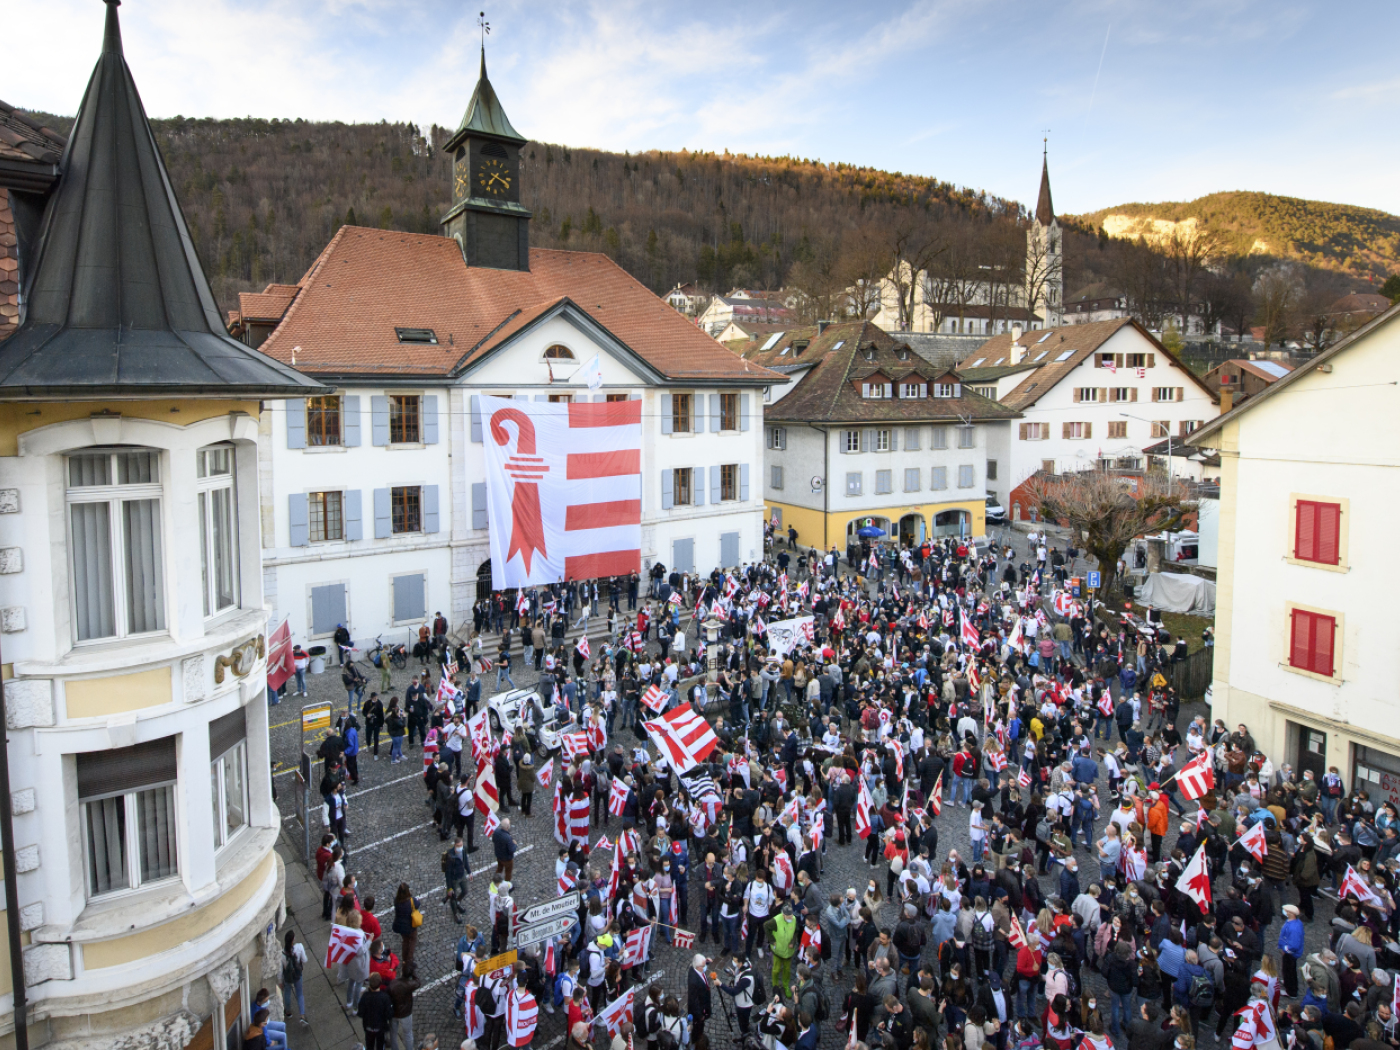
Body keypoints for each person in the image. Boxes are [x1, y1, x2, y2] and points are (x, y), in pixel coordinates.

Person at [357, 972, 394, 1050]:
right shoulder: (385, 998)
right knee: (380, 1044)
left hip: (368, 1027)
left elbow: (360, 1013)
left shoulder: (365, 996)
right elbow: (389, 1014)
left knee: (369, 1045)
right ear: (380, 983)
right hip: (380, 1028)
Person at [281, 931, 309, 1027]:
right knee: (300, 994)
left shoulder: (282, 954)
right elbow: (305, 960)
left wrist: (281, 980)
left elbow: (281, 969)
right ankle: (302, 1016)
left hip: (287, 976)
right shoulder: (299, 947)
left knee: (287, 992)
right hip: (297, 974)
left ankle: (288, 1012)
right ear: (293, 940)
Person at [687, 953, 712, 1046]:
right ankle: (696, 1041)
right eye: (704, 966)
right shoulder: (694, 981)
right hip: (699, 1010)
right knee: (698, 1027)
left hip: (703, 1002)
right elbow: (693, 1000)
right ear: (698, 967)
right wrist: (700, 1015)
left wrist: (707, 962)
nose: (705, 967)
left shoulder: (695, 968)